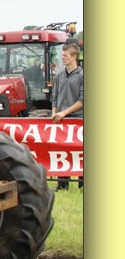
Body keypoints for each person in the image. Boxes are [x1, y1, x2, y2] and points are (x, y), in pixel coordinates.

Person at [51, 43, 83, 190]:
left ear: (74, 57)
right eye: (62, 55)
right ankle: (62, 184)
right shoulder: (59, 76)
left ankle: (82, 184)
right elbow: (54, 97)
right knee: (61, 150)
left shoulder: (82, 76)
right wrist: (54, 112)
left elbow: (82, 100)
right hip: (61, 120)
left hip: (78, 120)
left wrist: (64, 112)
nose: (62, 58)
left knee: (80, 151)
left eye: (65, 55)